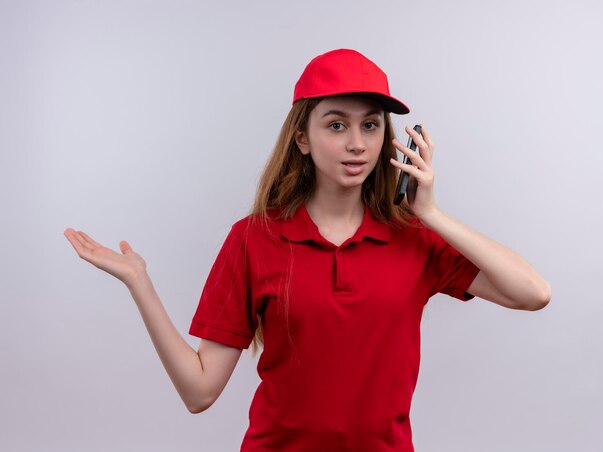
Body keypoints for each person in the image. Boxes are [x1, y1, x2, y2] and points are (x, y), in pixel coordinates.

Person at [64, 48, 551, 451]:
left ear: (387, 139)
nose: (357, 143)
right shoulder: (253, 239)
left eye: (371, 126)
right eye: (336, 125)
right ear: (302, 138)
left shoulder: (413, 238)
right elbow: (199, 391)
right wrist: (140, 283)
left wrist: (431, 215)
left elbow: (533, 293)